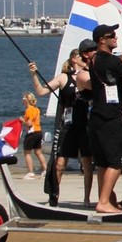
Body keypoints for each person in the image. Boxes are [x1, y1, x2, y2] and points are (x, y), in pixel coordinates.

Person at [29, 42, 94, 207]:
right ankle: (54, 195)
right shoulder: (64, 77)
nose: (85, 59)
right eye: (81, 57)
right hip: (69, 125)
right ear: (74, 59)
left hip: (85, 124)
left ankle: (87, 198)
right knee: (60, 164)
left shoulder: (89, 75)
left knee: (87, 163)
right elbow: (42, 92)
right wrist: (34, 74)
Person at [86, 23, 122, 214]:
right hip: (111, 117)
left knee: (103, 162)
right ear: (101, 40)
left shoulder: (94, 59)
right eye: (111, 35)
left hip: (96, 115)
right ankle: (104, 201)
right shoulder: (111, 61)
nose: (116, 37)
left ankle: (107, 199)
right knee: (116, 161)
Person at [21, 93, 47, 179]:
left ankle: (31, 172)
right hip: (39, 132)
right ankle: (45, 170)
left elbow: (29, 124)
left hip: (32, 133)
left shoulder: (29, 109)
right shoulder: (36, 109)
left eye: (23, 99)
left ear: (26, 100)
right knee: (38, 152)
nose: (22, 101)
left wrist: (22, 120)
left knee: (27, 153)